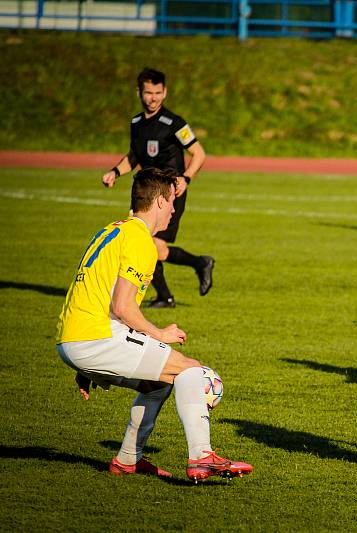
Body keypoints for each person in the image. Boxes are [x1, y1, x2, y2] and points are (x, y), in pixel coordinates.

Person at [56, 168, 251, 482]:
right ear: (160, 201)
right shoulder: (139, 241)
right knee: (194, 372)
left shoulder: (114, 229)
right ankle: (202, 457)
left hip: (77, 336)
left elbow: (97, 294)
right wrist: (160, 334)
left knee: (158, 384)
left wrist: (82, 362)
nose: (175, 209)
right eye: (172, 201)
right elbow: (122, 305)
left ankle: (128, 460)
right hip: (94, 337)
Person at [101, 67, 213, 308]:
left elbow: (199, 153)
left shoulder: (174, 123)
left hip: (171, 192)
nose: (153, 98)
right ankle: (166, 296)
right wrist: (115, 172)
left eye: (158, 93)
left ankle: (199, 264)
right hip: (145, 192)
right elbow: (134, 156)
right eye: (148, 92)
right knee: (145, 243)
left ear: (165, 93)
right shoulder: (136, 123)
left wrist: (186, 178)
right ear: (139, 92)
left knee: (155, 246)